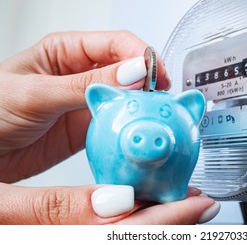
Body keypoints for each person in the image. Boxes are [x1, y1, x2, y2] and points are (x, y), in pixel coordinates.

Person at [0, 30, 220, 224]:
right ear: (101, 103)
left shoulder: (186, 110)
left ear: (191, 110)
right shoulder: (105, 103)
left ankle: (172, 190)